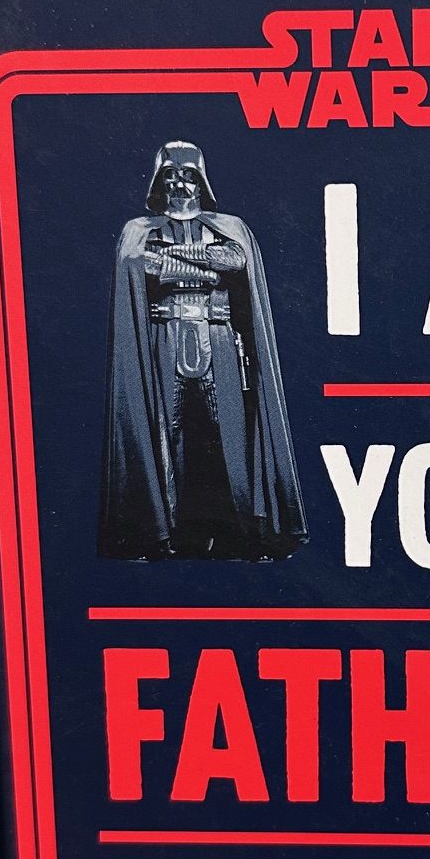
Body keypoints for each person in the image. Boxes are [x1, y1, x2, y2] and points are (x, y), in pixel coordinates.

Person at [98, 141, 307, 560]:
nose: (180, 184)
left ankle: (246, 531)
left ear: (202, 180)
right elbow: (140, 264)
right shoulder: (139, 230)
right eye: (171, 175)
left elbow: (236, 260)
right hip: (164, 341)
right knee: (166, 434)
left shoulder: (229, 227)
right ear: (159, 181)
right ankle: (163, 532)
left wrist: (175, 257)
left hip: (219, 340)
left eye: (189, 175)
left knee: (229, 434)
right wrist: (205, 266)